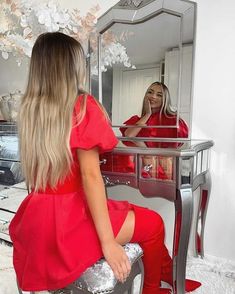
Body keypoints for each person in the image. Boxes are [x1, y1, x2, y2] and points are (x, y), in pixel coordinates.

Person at [9, 32, 201, 294]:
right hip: (70, 222)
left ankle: (164, 274)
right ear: (71, 67)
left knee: (129, 208)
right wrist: (108, 243)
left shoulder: (31, 110)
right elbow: (90, 177)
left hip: (39, 217)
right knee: (154, 223)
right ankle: (154, 288)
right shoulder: (81, 105)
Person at [120, 81, 188, 148]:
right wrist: (147, 114)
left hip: (163, 158)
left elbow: (173, 150)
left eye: (159, 95)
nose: (153, 96)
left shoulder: (173, 121)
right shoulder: (137, 120)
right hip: (141, 158)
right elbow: (129, 136)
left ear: (165, 99)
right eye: (150, 92)